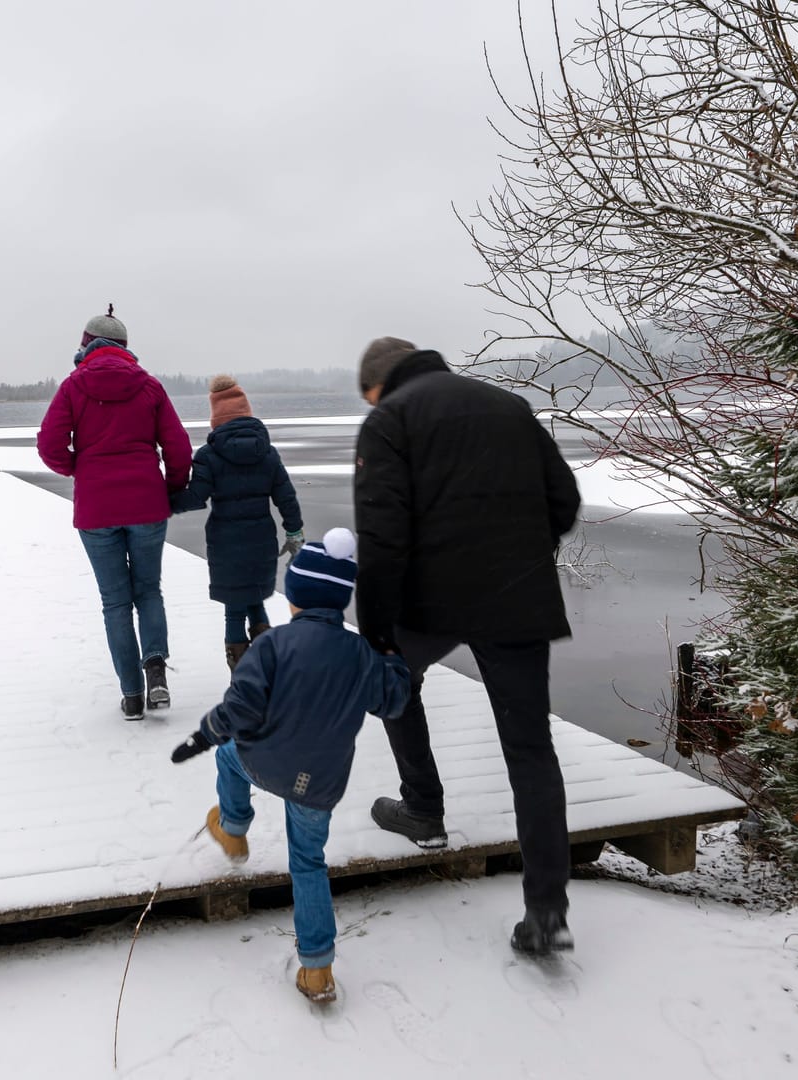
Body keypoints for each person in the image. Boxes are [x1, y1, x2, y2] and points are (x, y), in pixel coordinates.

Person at [350, 335, 581, 955]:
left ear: (377, 386)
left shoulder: (389, 421)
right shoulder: (508, 405)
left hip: (430, 601)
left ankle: (423, 809)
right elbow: (565, 501)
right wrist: (521, 553)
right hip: (517, 596)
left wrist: (376, 630)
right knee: (531, 748)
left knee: (393, 684)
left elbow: (381, 536)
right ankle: (547, 911)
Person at [170, 528, 411, 1004]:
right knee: (307, 863)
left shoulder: (273, 645)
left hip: (263, 763)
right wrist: (389, 653)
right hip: (317, 785)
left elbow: (238, 709)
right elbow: (395, 701)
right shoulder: (361, 655)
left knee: (226, 756)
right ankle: (317, 972)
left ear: (294, 598)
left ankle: (235, 827)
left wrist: (203, 734)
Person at [37, 307, 192, 720]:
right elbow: (178, 448)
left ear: (86, 344)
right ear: (125, 348)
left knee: (115, 603)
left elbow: (49, 446)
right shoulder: (149, 387)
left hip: (97, 510)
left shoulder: (73, 387)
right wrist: (171, 489)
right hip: (146, 505)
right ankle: (155, 669)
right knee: (149, 591)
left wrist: (82, 469)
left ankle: (131, 696)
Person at [169, 374, 305, 670]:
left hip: (226, 543)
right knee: (255, 600)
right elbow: (287, 497)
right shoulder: (267, 453)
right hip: (262, 541)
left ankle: (242, 680)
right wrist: (294, 533)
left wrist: (165, 503)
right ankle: (268, 669)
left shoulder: (209, 456)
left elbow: (195, 497)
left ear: (216, 416)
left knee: (234, 609)